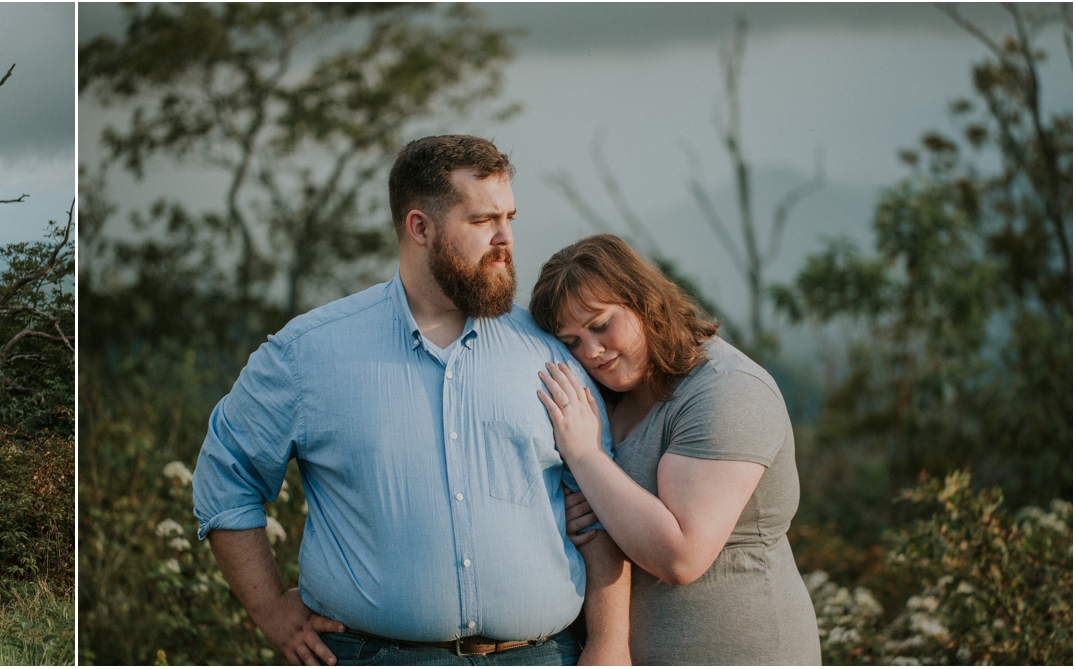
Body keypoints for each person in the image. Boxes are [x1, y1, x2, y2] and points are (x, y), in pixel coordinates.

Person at [193, 135, 625, 666]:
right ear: (419, 227)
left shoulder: (551, 350)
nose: (506, 238)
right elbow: (225, 477)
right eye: (482, 221)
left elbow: (603, 511)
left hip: (543, 655)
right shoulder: (308, 354)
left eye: (509, 216)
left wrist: (608, 643)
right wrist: (269, 610)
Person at [530, 234, 822, 664]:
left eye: (600, 324)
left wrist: (587, 458)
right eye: (571, 341)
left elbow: (680, 557)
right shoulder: (605, 397)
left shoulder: (727, 390)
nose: (590, 351)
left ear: (644, 301)